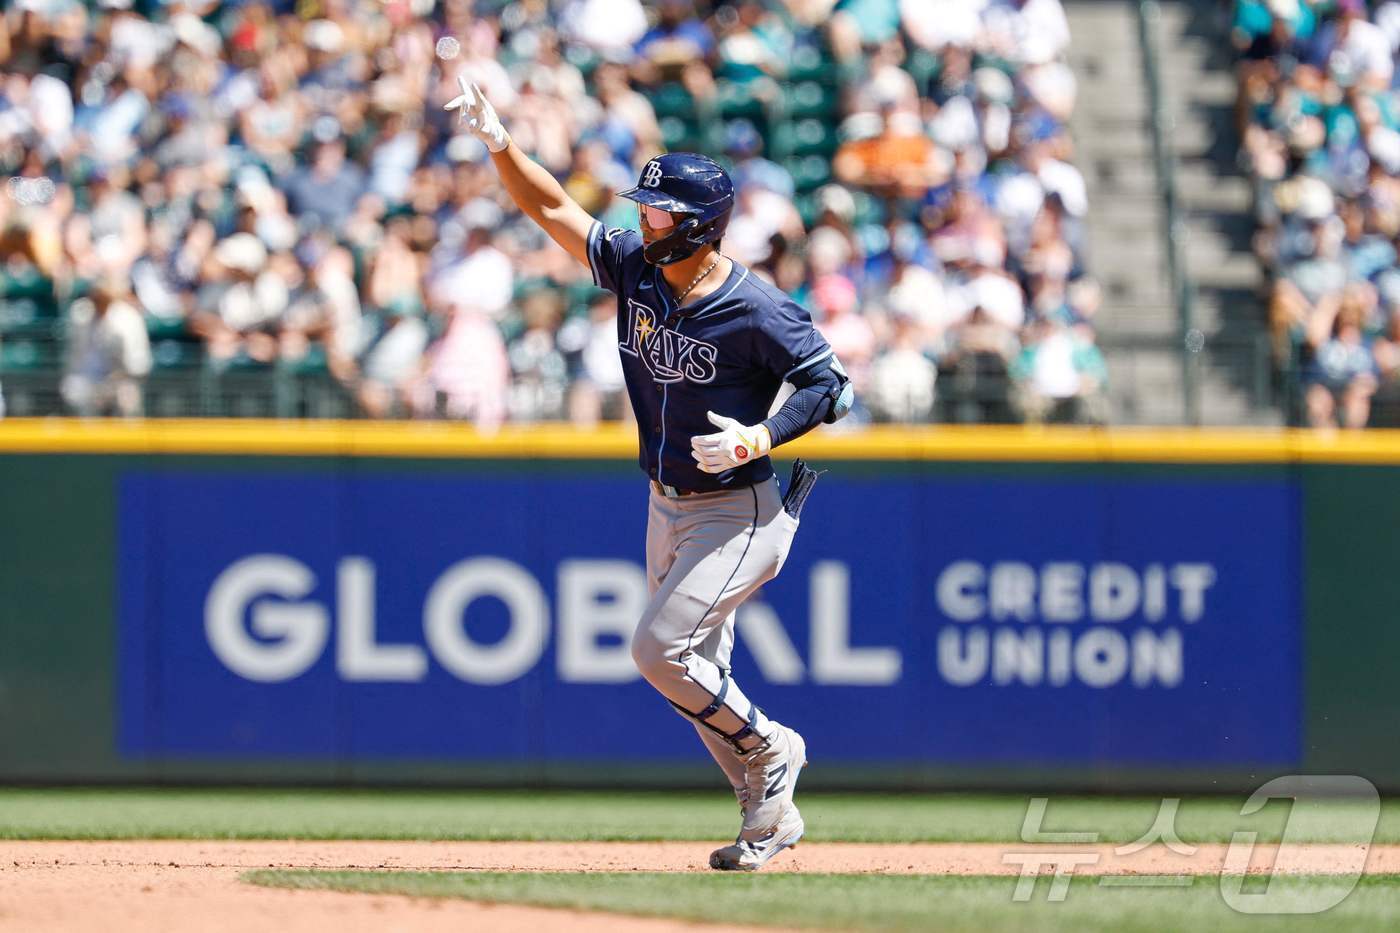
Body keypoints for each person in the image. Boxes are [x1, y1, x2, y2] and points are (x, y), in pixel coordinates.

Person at [446, 78, 853, 871]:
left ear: (697, 228)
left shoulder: (754, 306)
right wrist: (501, 143)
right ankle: (767, 821)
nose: (642, 218)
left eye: (658, 211)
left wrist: (759, 436)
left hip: (740, 509)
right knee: (700, 678)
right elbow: (555, 210)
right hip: (665, 503)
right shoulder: (636, 266)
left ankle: (775, 747)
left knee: (659, 651)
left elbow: (830, 383)